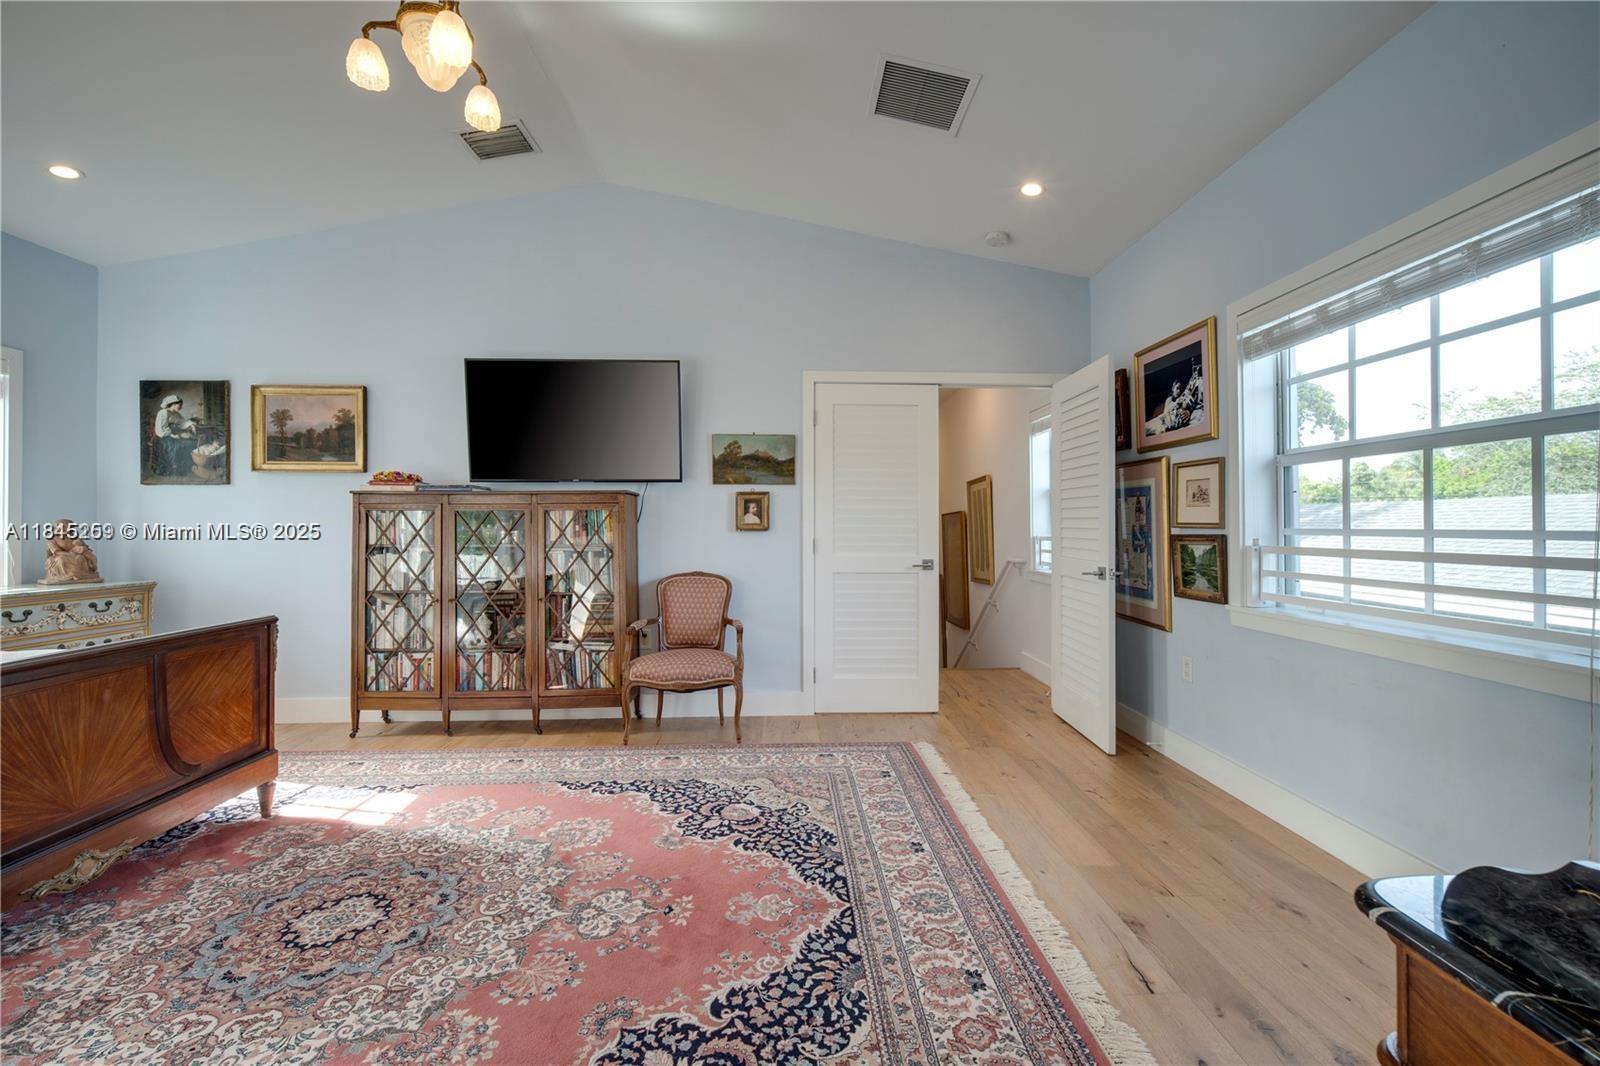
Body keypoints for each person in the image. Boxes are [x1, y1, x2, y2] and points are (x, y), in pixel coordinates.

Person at [153, 394, 197, 476]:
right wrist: (176, 435)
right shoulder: (163, 412)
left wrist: (191, 425)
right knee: (178, 446)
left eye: (181, 405)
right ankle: (173, 469)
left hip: (173, 435)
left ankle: (184, 467)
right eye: (179, 405)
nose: (181, 407)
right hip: (163, 437)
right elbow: (161, 430)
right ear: (173, 404)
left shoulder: (176, 414)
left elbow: (183, 422)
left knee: (190, 442)